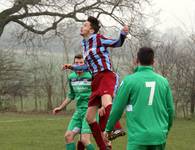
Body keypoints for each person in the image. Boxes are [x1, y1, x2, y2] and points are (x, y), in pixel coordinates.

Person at [63, 16, 128, 150]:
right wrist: (72, 67)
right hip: (96, 80)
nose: (82, 27)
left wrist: (123, 34)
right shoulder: (85, 44)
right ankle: (103, 147)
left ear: (92, 30)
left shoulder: (98, 38)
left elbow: (117, 43)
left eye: (85, 25)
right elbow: (87, 66)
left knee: (106, 103)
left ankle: (116, 128)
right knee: (89, 117)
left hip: (105, 75)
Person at [104, 47, 175, 150]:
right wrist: (165, 130)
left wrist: (108, 128)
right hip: (159, 137)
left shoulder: (129, 81)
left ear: (136, 60)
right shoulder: (163, 81)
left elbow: (117, 109)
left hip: (138, 139)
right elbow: (170, 110)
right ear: (153, 62)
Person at [53, 54, 95, 150]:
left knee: (84, 140)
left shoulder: (91, 75)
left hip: (90, 111)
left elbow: (99, 92)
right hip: (79, 111)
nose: (79, 65)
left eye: (81, 63)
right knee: (68, 136)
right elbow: (71, 95)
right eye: (76, 63)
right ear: (73, 64)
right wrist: (60, 107)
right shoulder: (71, 77)